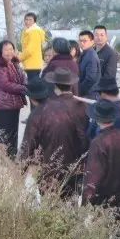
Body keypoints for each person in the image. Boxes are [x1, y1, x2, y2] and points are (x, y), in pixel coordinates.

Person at [20, 68, 90, 198]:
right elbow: (86, 137)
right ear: (70, 84)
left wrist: (20, 170)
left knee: (50, 208)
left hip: (49, 170)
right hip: (75, 169)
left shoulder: (43, 110)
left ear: (55, 86)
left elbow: (28, 145)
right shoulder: (82, 107)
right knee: (71, 204)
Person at [83, 99, 120, 215]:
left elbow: (93, 178)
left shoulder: (98, 143)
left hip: (104, 203)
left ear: (97, 119)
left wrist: (85, 202)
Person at [0, 40, 28, 158]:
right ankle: (6, 157)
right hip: (4, 105)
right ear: (0, 52)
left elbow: (23, 77)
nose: (9, 52)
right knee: (5, 134)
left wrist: (25, 82)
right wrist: (23, 88)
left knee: (14, 132)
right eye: (6, 49)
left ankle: (12, 156)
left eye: (11, 49)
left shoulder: (14, 63)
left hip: (14, 103)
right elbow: (5, 84)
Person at [20, 12, 47, 81]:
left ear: (34, 21)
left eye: (30, 20)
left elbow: (30, 49)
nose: (27, 22)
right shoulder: (28, 31)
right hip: (30, 63)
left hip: (33, 64)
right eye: (26, 19)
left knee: (32, 86)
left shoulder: (34, 32)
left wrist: (19, 58)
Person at [77, 30, 100, 99]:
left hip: (89, 95)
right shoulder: (85, 53)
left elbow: (90, 79)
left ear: (92, 42)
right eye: (80, 41)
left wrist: (79, 91)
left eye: (84, 41)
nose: (82, 43)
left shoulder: (91, 56)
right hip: (86, 94)